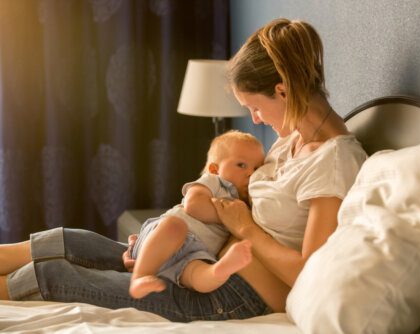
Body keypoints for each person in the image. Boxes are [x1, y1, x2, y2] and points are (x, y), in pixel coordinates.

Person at [0, 18, 367, 321]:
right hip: (197, 258)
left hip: (228, 296)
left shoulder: (332, 161)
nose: (256, 119)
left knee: (53, 274)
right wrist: (159, 243)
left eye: (254, 107)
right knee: (74, 240)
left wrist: (246, 229)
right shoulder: (291, 141)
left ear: (282, 91)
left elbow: (306, 270)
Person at [129, 130, 264, 298]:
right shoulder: (215, 182)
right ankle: (141, 276)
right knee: (174, 225)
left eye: (257, 168)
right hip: (168, 236)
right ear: (214, 169)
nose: (251, 173)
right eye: (241, 165)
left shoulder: (248, 204)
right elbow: (193, 206)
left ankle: (219, 271)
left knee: (199, 273)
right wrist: (229, 217)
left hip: (195, 254)